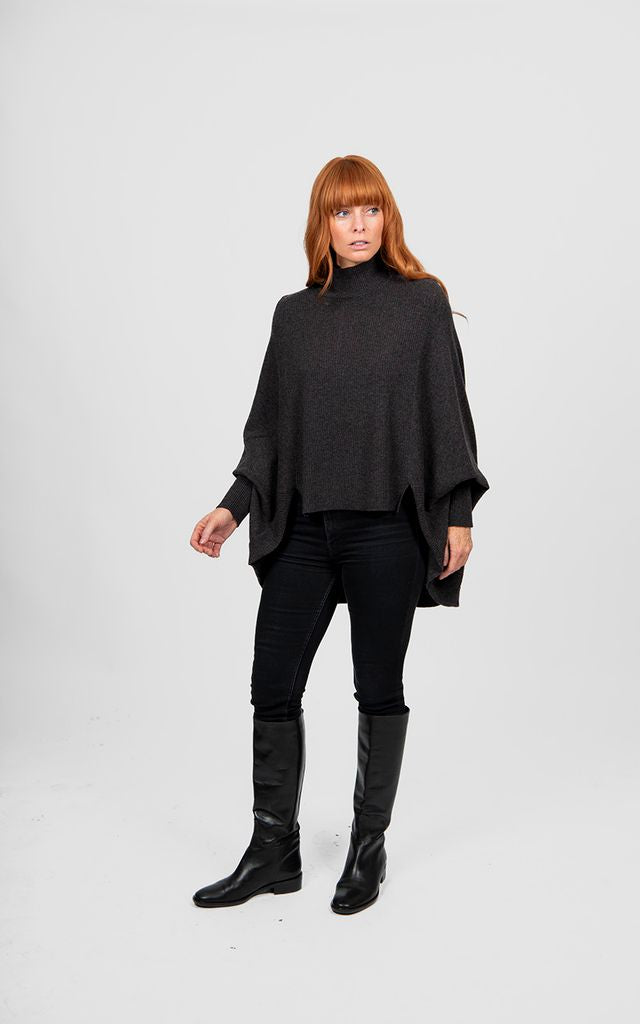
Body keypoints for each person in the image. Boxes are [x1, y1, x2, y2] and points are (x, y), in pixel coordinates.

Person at [189, 154, 490, 914]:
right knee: (271, 683)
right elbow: (269, 430)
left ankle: (368, 846)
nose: (359, 225)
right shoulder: (294, 316)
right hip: (303, 528)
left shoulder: (421, 303)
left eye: (371, 209)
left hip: (387, 529)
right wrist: (232, 506)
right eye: (343, 212)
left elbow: (447, 413)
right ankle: (273, 850)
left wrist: (458, 512)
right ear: (321, 224)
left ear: (388, 217)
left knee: (377, 686)